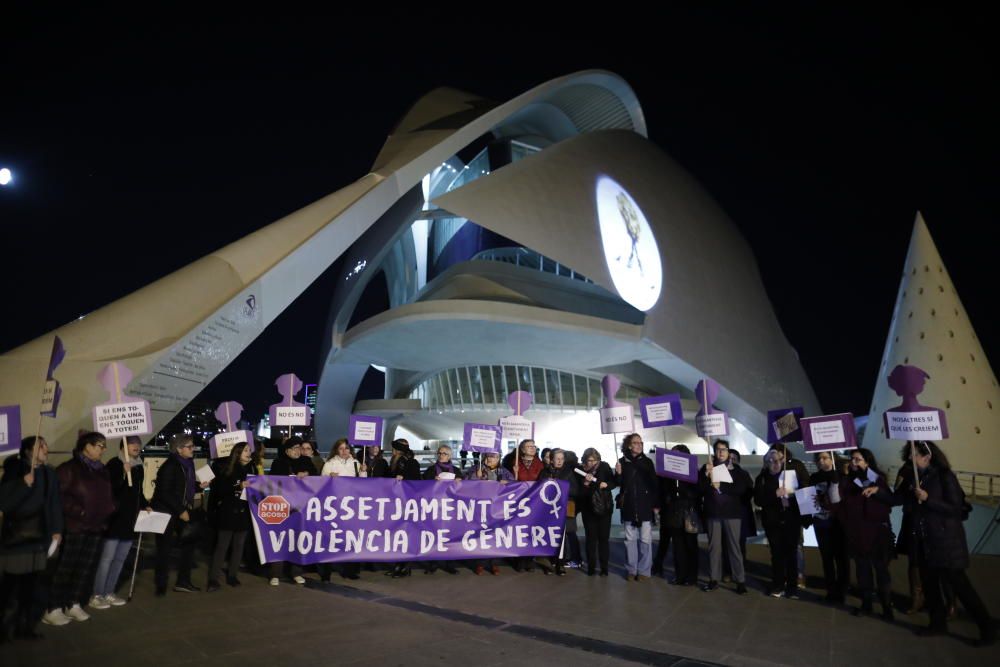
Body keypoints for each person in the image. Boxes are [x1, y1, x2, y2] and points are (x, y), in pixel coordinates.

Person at [905, 440, 995, 646]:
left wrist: (928, 499)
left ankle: (987, 629)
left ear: (927, 457)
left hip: (946, 543)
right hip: (926, 542)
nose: (910, 458)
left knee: (962, 589)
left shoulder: (945, 476)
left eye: (914, 454)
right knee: (930, 587)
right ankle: (937, 624)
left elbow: (956, 508)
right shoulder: (918, 477)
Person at [45, 432, 115, 623]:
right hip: (76, 526)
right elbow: (58, 498)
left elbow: (106, 494)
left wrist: (108, 509)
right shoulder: (69, 469)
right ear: (87, 446)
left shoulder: (101, 470)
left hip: (96, 526)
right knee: (66, 568)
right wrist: (80, 512)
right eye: (100, 445)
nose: (103, 449)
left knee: (84, 567)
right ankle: (53, 607)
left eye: (103, 445)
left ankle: (73, 603)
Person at [0, 436, 63, 640]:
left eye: (45, 445)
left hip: (39, 539)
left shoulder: (49, 473)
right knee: (9, 589)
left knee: (30, 587)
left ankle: (24, 628)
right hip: (17, 540)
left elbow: (54, 503)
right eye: (40, 445)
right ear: (28, 451)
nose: (46, 448)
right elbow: (4, 503)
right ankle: (3, 629)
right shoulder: (15, 470)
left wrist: (56, 529)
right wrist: (21, 484)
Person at [91, 436, 149, 608]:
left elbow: (138, 493)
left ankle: (109, 592)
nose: (137, 446)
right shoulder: (114, 464)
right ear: (123, 446)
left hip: (130, 521)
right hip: (114, 520)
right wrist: (124, 473)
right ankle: (96, 594)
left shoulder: (138, 467)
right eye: (132, 444)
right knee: (106, 559)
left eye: (138, 444)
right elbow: (110, 490)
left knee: (120, 559)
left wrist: (146, 505)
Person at [837, 448, 894, 620]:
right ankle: (867, 604)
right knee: (863, 571)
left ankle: (886, 608)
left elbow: (889, 501)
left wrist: (873, 488)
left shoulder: (877, 479)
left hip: (877, 532)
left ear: (867, 462)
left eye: (858, 459)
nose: (853, 462)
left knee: (881, 570)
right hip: (857, 532)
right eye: (852, 459)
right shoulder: (847, 481)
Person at [151, 433, 210, 596]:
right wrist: (181, 510)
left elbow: (183, 486)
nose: (193, 449)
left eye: (193, 446)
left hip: (180, 509)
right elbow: (164, 492)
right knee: (164, 548)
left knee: (189, 543)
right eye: (189, 447)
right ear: (178, 449)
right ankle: (161, 585)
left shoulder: (187, 464)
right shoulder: (170, 466)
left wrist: (199, 486)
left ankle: (183, 582)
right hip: (167, 511)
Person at [698, 439, 750, 594]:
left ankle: (740, 581)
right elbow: (699, 490)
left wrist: (722, 484)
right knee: (714, 548)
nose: (721, 452)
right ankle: (714, 579)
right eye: (718, 449)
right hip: (713, 513)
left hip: (732, 514)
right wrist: (706, 477)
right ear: (714, 452)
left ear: (728, 452)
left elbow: (740, 489)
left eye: (724, 449)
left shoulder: (736, 470)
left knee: (735, 548)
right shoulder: (706, 468)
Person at [754, 449, 805, 598]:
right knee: (776, 554)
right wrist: (774, 494)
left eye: (778, 460)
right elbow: (758, 500)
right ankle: (778, 585)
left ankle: (792, 587)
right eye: (771, 461)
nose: (775, 464)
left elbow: (802, 493)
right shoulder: (762, 479)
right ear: (766, 464)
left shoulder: (790, 476)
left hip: (791, 519)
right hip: (773, 521)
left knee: (791, 554)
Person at [206, 442, 252, 592]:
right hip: (228, 512)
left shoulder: (251, 469)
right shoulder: (228, 469)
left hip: (244, 513)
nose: (248, 452)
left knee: (239, 546)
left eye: (249, 450)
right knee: (222, 546)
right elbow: (220, 490)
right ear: (237, 453)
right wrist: (238, 487)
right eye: (245, 450)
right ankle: (213, 579)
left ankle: (232, 575)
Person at [267, 437, 313, 585]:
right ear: (287, 450)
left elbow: (317, 476)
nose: (297, 451)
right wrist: (290, 478)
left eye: (299, 448)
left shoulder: (306, 461)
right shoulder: (278, 462)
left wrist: (307, 474)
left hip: (300, 507)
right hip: (282, 507)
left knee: (297, 539)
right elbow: (272, 481)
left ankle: (296, 572)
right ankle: (276, 574)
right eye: (294, 448)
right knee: (279, 540)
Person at [615, 434, 658, 581]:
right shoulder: (621, 462)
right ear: (629, 445)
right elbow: (618, 484)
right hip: (629, 506)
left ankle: (645, 571)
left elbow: (654, 485)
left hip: (645, 506)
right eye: (635, 443)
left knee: (645, 540)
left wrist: (655, 505)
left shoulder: (647, 462)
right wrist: (618, 474)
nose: (639, 445)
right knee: (629, 540)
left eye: (640, 442)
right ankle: (631, 570)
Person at [321, 439, 366, 580]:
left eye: (346, 448)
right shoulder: (330, 464)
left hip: (351, 506)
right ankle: (325, 572)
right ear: (336, 450)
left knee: (351, 538)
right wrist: (329, 477)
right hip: (334, 506)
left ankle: (350, 570)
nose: (344, 451)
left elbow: (363, 484)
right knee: (330, 538)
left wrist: (363, 472)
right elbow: (321, 482)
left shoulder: (356, 463)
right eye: (341, 448)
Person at [811, 450, 849, 604]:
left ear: (833, 459)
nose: (821, 461)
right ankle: (831, 589)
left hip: (838, 522)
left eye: (825, 457)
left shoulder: (841, 476)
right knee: (826, 558)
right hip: (820, 521)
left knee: (841, 557)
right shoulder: (814, 477)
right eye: (819, 458)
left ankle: (842, 590)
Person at [466, 450, 513, 575]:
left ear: (499, 458)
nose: (490, 459)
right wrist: (476, 476)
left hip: (497, 509)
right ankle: (480, 563)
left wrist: (508, 483)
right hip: (479, 507)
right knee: (480, 535)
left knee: (494, 535)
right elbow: (465, 484)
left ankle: (493, 563)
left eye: (494, 456)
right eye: (488, 456)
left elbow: (515, 485)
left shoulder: (504, 471)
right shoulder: (476, 469)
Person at [660, 445, 700, 586]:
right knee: (678, 547)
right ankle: (680, 575)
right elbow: (663, 491)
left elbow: (697, 492)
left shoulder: (693, 472)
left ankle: (692, 577)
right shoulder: (667, 475)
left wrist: (681, 489)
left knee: (691, 546)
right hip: (674, 513)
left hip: (689, 513)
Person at [537, 449, 579, 576]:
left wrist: (560, 486)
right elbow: (539, 489)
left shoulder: (569, 472)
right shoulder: (544, 472)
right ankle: (548, 563)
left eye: (562, 458)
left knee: (561, 538)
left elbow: (576, 491)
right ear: (551, 460)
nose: (560, 461)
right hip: (548, 509)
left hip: (563, 508)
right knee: (548, 536)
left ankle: (560, 564)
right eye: (557, 458)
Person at [422, 445, 462, 574]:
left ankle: (449, 563)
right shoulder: (431, 470)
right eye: (439, 453)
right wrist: (431, 481)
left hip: (451, 507)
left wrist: (459, 481)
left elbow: (464, 487)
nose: (441, 455)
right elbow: (421, 483)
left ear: (449, 456)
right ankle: (433, 562)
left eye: (444, 453)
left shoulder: (456, 470)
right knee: (434, 535)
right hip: (435, 507)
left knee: (450, 536)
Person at [577, 447, 616, 576]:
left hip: (605, 509)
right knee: (591, 539)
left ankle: (604, 569)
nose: (593, 463)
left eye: (596, 460)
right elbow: (580, 493)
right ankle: (591, 568)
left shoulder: (604, 467)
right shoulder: (580, 471)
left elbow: (614, 482)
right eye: (590, 460)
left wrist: (607, 485)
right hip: (589, 510)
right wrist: (586, 483)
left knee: (604, 539)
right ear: (584, 460)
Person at [386, 439, 421, 578]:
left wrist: (404, 478)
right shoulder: (395, 462)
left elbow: (416, 481)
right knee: (397, 535)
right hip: (397, 503)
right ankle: (398, 564)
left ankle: (405, 566)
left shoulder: (410, 462)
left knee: (406, 535)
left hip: (407, 503)